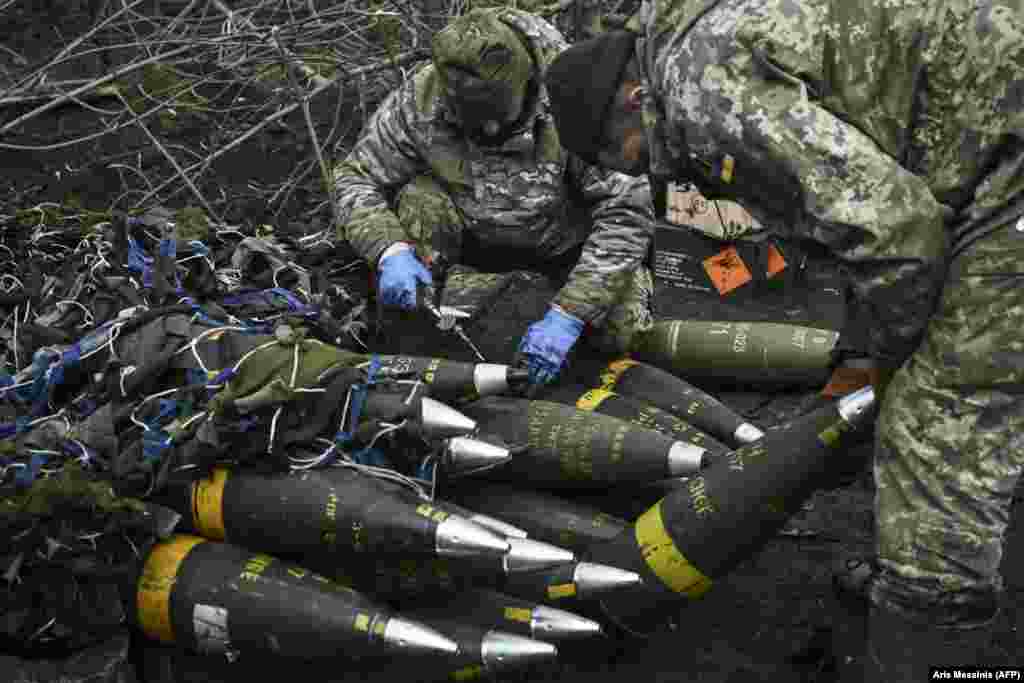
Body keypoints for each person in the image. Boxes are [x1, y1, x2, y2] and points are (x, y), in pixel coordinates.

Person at [543, 0, 1023, 679]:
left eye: (616, 155)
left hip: (1004, 165)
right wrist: (860, 353)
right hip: (980, 132)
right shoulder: (692, 44)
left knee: (940, 428)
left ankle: (929, 623)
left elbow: (897, 235)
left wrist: (885, 360)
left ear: (630, 98)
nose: (635, 173)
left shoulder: (697, 94)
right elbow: (862, 217)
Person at [331, 7, 656, 386]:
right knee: (420, 201)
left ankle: (560, 338)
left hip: (567, 245)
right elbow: (354, 177)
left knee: (622, 330)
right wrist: (390, 251)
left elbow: (627, 211)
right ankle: (418, 342)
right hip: (472, 240)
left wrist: (571, 313)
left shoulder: (576, 94)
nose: (488, 129)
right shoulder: (420, 100)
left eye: (499, 116)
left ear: (528, 84)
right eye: (474, 119)